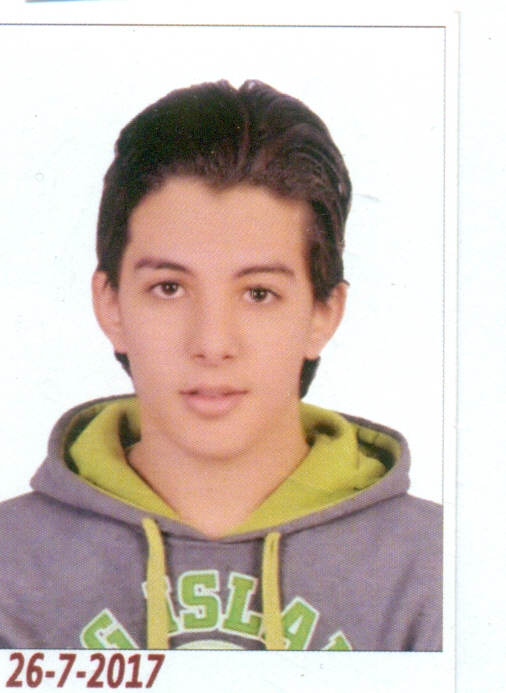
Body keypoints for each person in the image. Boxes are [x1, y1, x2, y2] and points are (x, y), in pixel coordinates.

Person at [0, 80, 442, 651]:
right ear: (110, 305)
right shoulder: (10, 563)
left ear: (323, 314)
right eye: (169, 287)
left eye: (258, 293)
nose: (212, 343)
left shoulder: (443, 570)